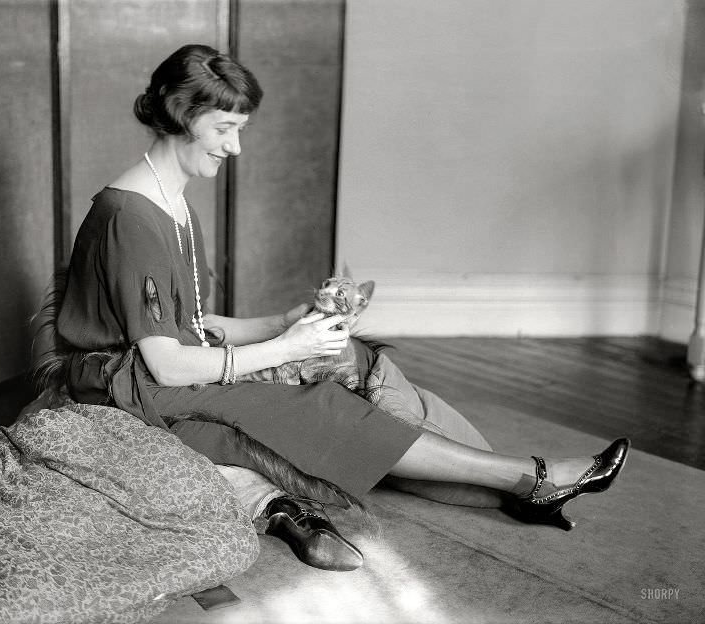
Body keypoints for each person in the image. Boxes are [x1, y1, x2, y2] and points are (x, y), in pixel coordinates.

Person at [54, 44, 629, 572]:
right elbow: (166, 364)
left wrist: (287, 323)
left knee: (351, 359)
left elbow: (198, 325)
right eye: (225, 128)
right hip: (127, 388)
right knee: (320, 401)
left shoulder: (173, 202)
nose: (235, 147)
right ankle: (530, 477)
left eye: (240, 129)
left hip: (168, 371)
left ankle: (515, 480)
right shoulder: (130, 214)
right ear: (181, 116)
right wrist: (285, 350)